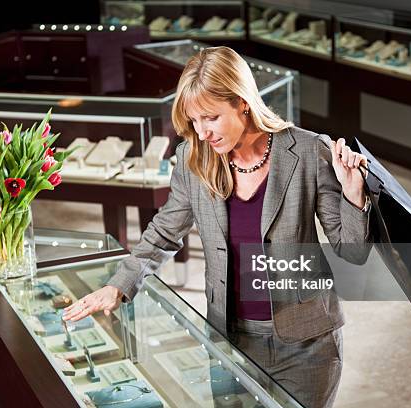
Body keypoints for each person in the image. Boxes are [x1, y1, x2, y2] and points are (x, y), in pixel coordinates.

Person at [63, 46, 372, 408]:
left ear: (242, 102)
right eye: (194, 121)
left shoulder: (308, 151)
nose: (203, 132)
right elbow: (164, 231)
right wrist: (119, 284)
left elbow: (352, 250)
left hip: (306, 344)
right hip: (229, 339)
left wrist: (354, 194)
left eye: (211, 117)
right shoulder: (192, 157)